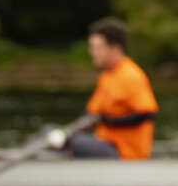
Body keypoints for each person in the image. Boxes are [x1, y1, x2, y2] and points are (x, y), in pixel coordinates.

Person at [50, 18, 157, 159]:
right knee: (50, 133)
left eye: (97, 47)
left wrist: (110, 120)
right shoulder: (106, 76)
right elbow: (90, 113)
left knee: (63, 138)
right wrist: (66, 132)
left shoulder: (131, 75)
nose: (92, 52)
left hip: (124, 151)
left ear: (116, 48)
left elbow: (148, 113)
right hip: (104, 143)